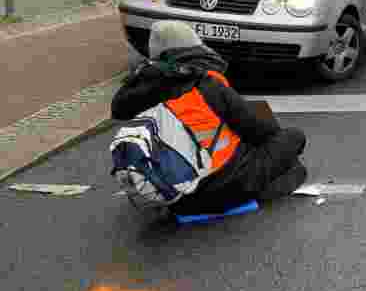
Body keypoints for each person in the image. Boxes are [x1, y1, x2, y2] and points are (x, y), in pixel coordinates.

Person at [112, 21, 309, 216]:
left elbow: (119, 109)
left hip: (174, 197)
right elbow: (260, 131)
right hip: (226, 186)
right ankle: (260, 189)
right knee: (293, 138)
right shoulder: (206, 83)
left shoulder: (133, 94)